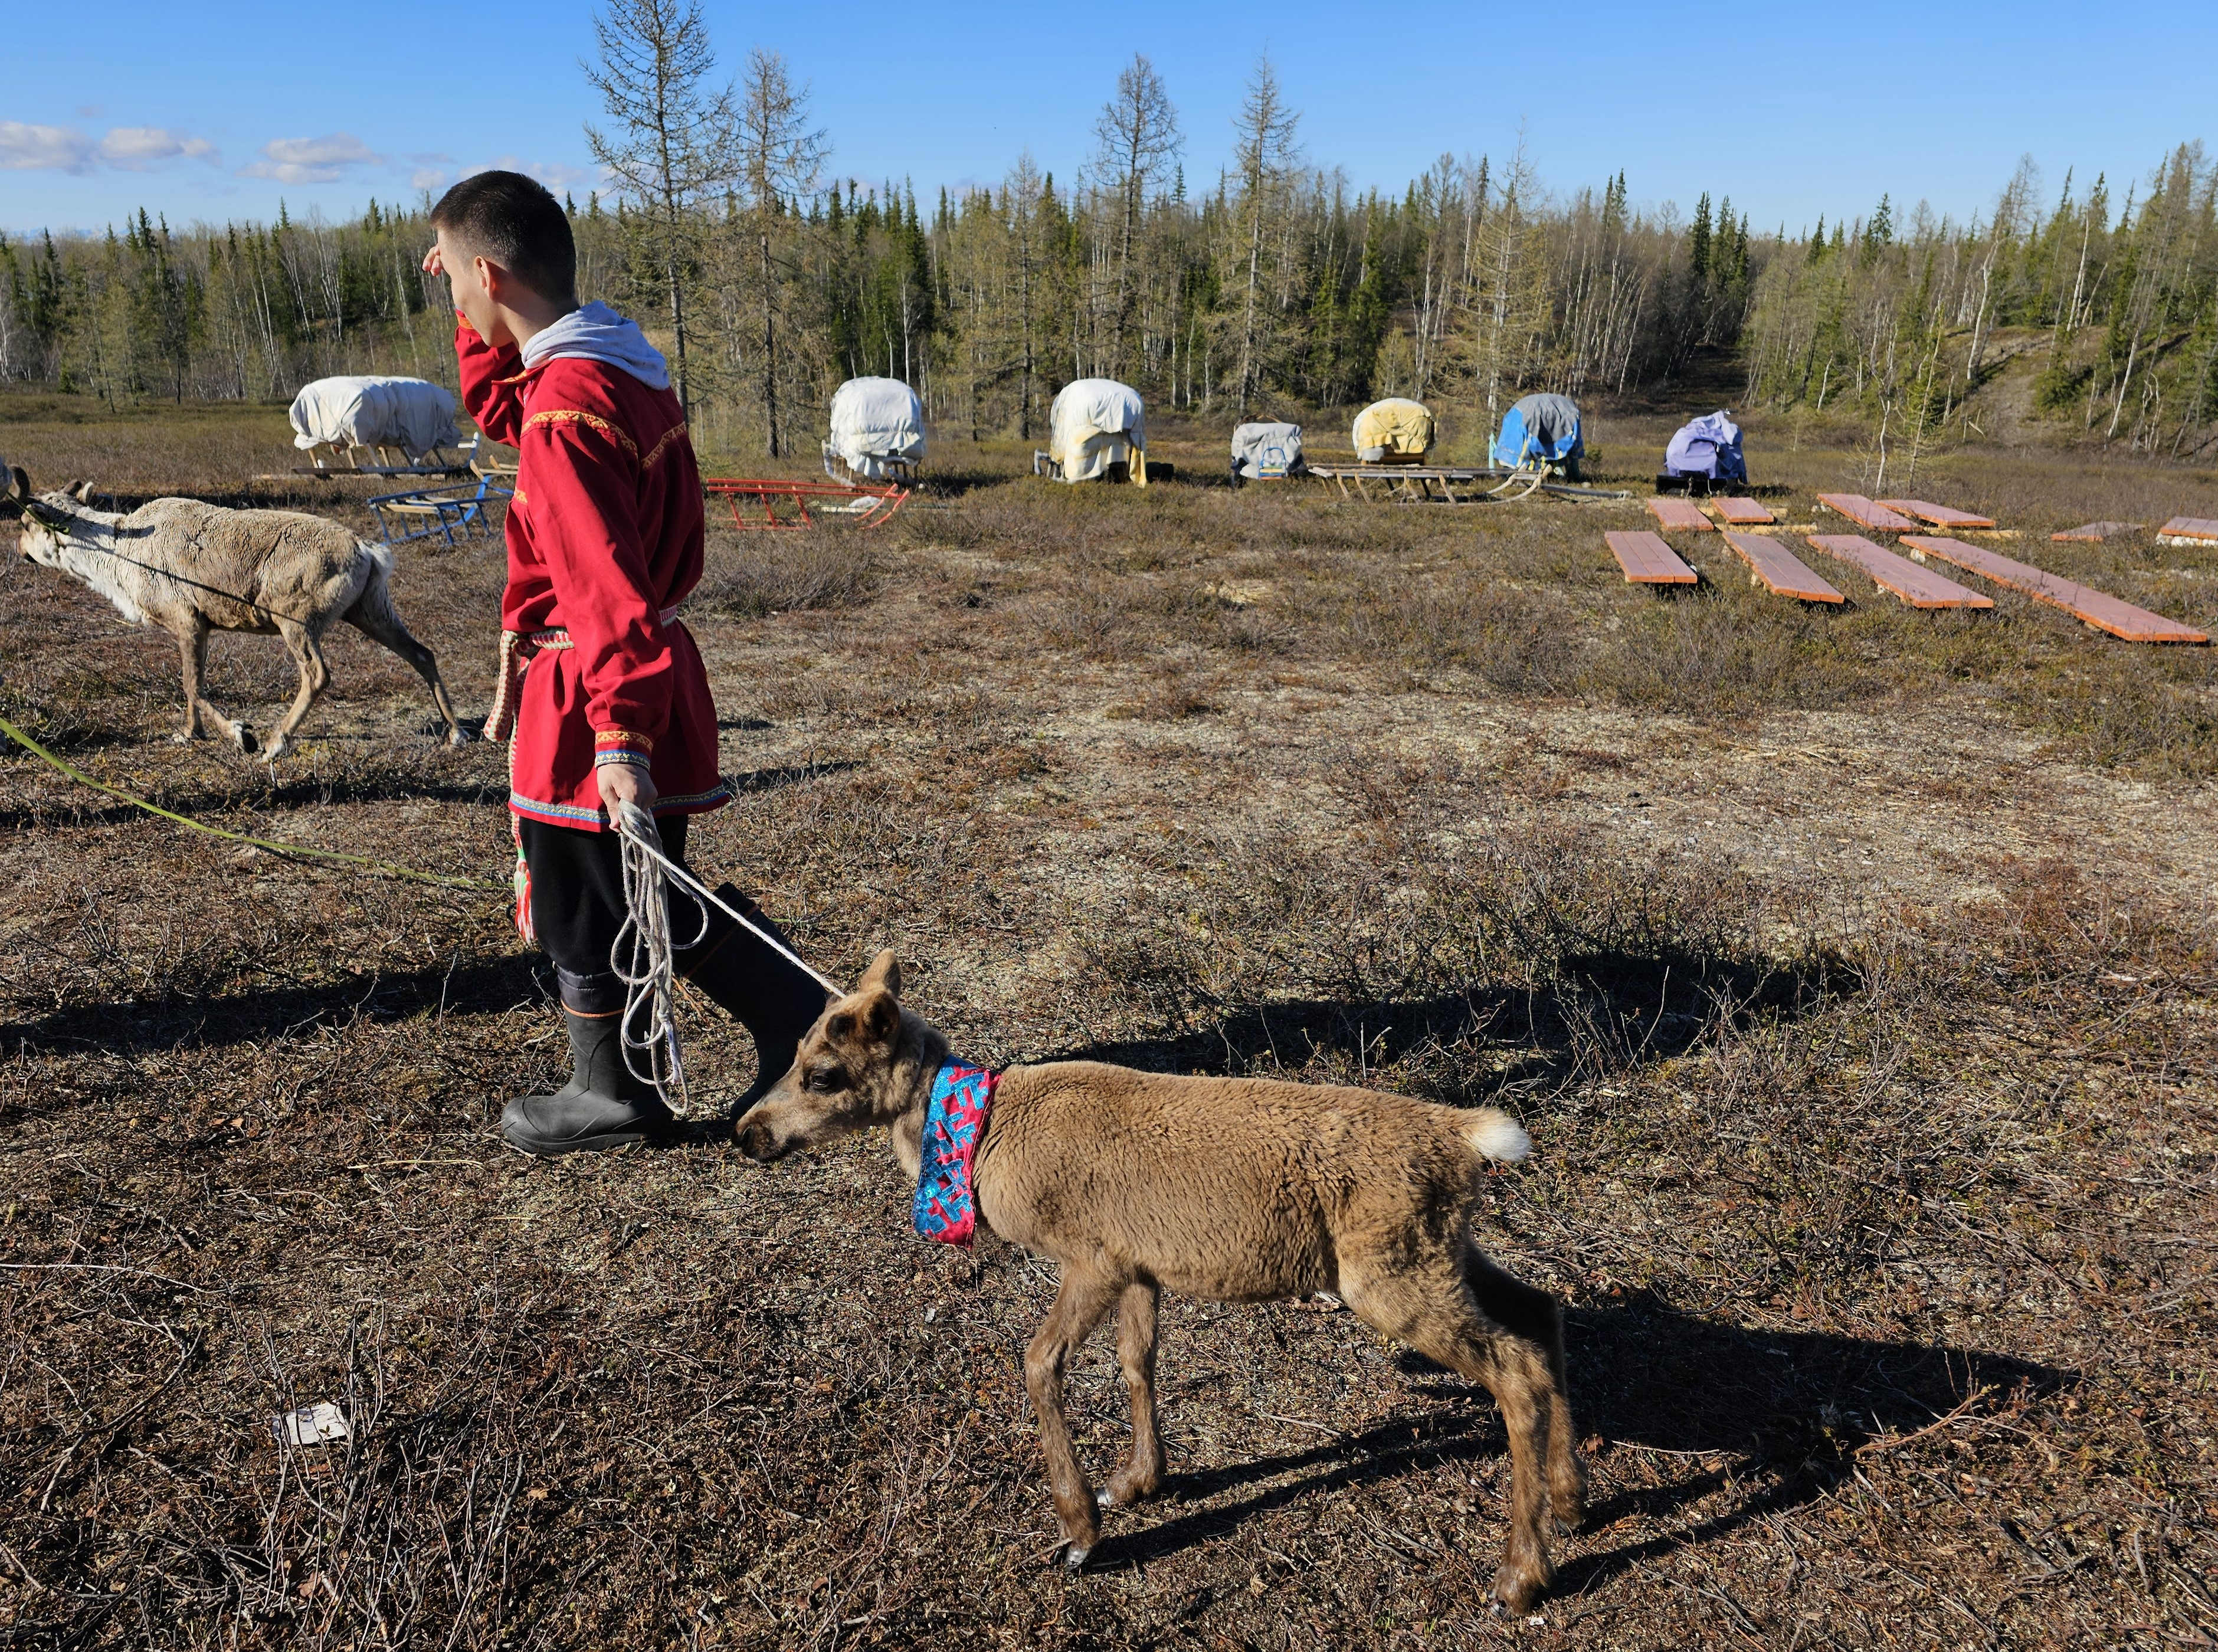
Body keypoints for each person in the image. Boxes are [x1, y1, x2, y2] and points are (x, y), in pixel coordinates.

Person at [423, 170, 826, 1156]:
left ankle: (682, 1067)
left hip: (591, 685)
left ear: (488, 270)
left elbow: (604, 587)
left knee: (596, 894)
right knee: (616, 889)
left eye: (458, 286)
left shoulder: (567, 411)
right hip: (627, 666)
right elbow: (499, 408)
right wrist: (480, 322)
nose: (452, 297)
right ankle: (647, 1073)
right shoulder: (610, 363)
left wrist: (619, 735)